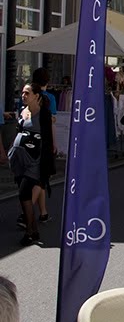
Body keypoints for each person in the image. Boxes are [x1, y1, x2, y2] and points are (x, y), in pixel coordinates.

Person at [7, 83, 55, 245]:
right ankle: (33, 231)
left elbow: (48, 140)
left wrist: (48, 163)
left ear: (36, 96)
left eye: (27, 93)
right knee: (24, 195)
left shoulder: (43, 115)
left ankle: (30, 231)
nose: (23, 95)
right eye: (22, 93)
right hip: (19, 158)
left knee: (24, 192)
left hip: (35, 160)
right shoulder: (23, 111)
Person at [30, 67, 56, 226]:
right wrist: (54, 143)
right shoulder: (48, 98)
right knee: (42, 177)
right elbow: (51, 122)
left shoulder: (28, 95)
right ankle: (25, 212)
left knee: (39, 176)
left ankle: (43, 212)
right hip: (44, 142)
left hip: (29, 140)